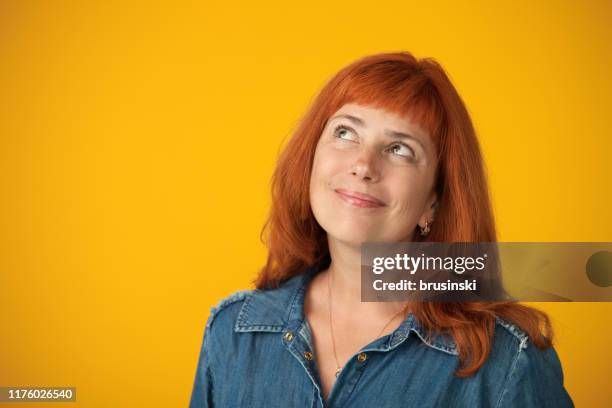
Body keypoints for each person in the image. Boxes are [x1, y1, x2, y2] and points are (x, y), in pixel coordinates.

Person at [189, 51, 574, 407]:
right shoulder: (234, 333)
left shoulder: (507, 362)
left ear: (433, 201)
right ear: (311, 158)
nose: (363, 164)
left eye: (399, 149)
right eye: (345, 132)